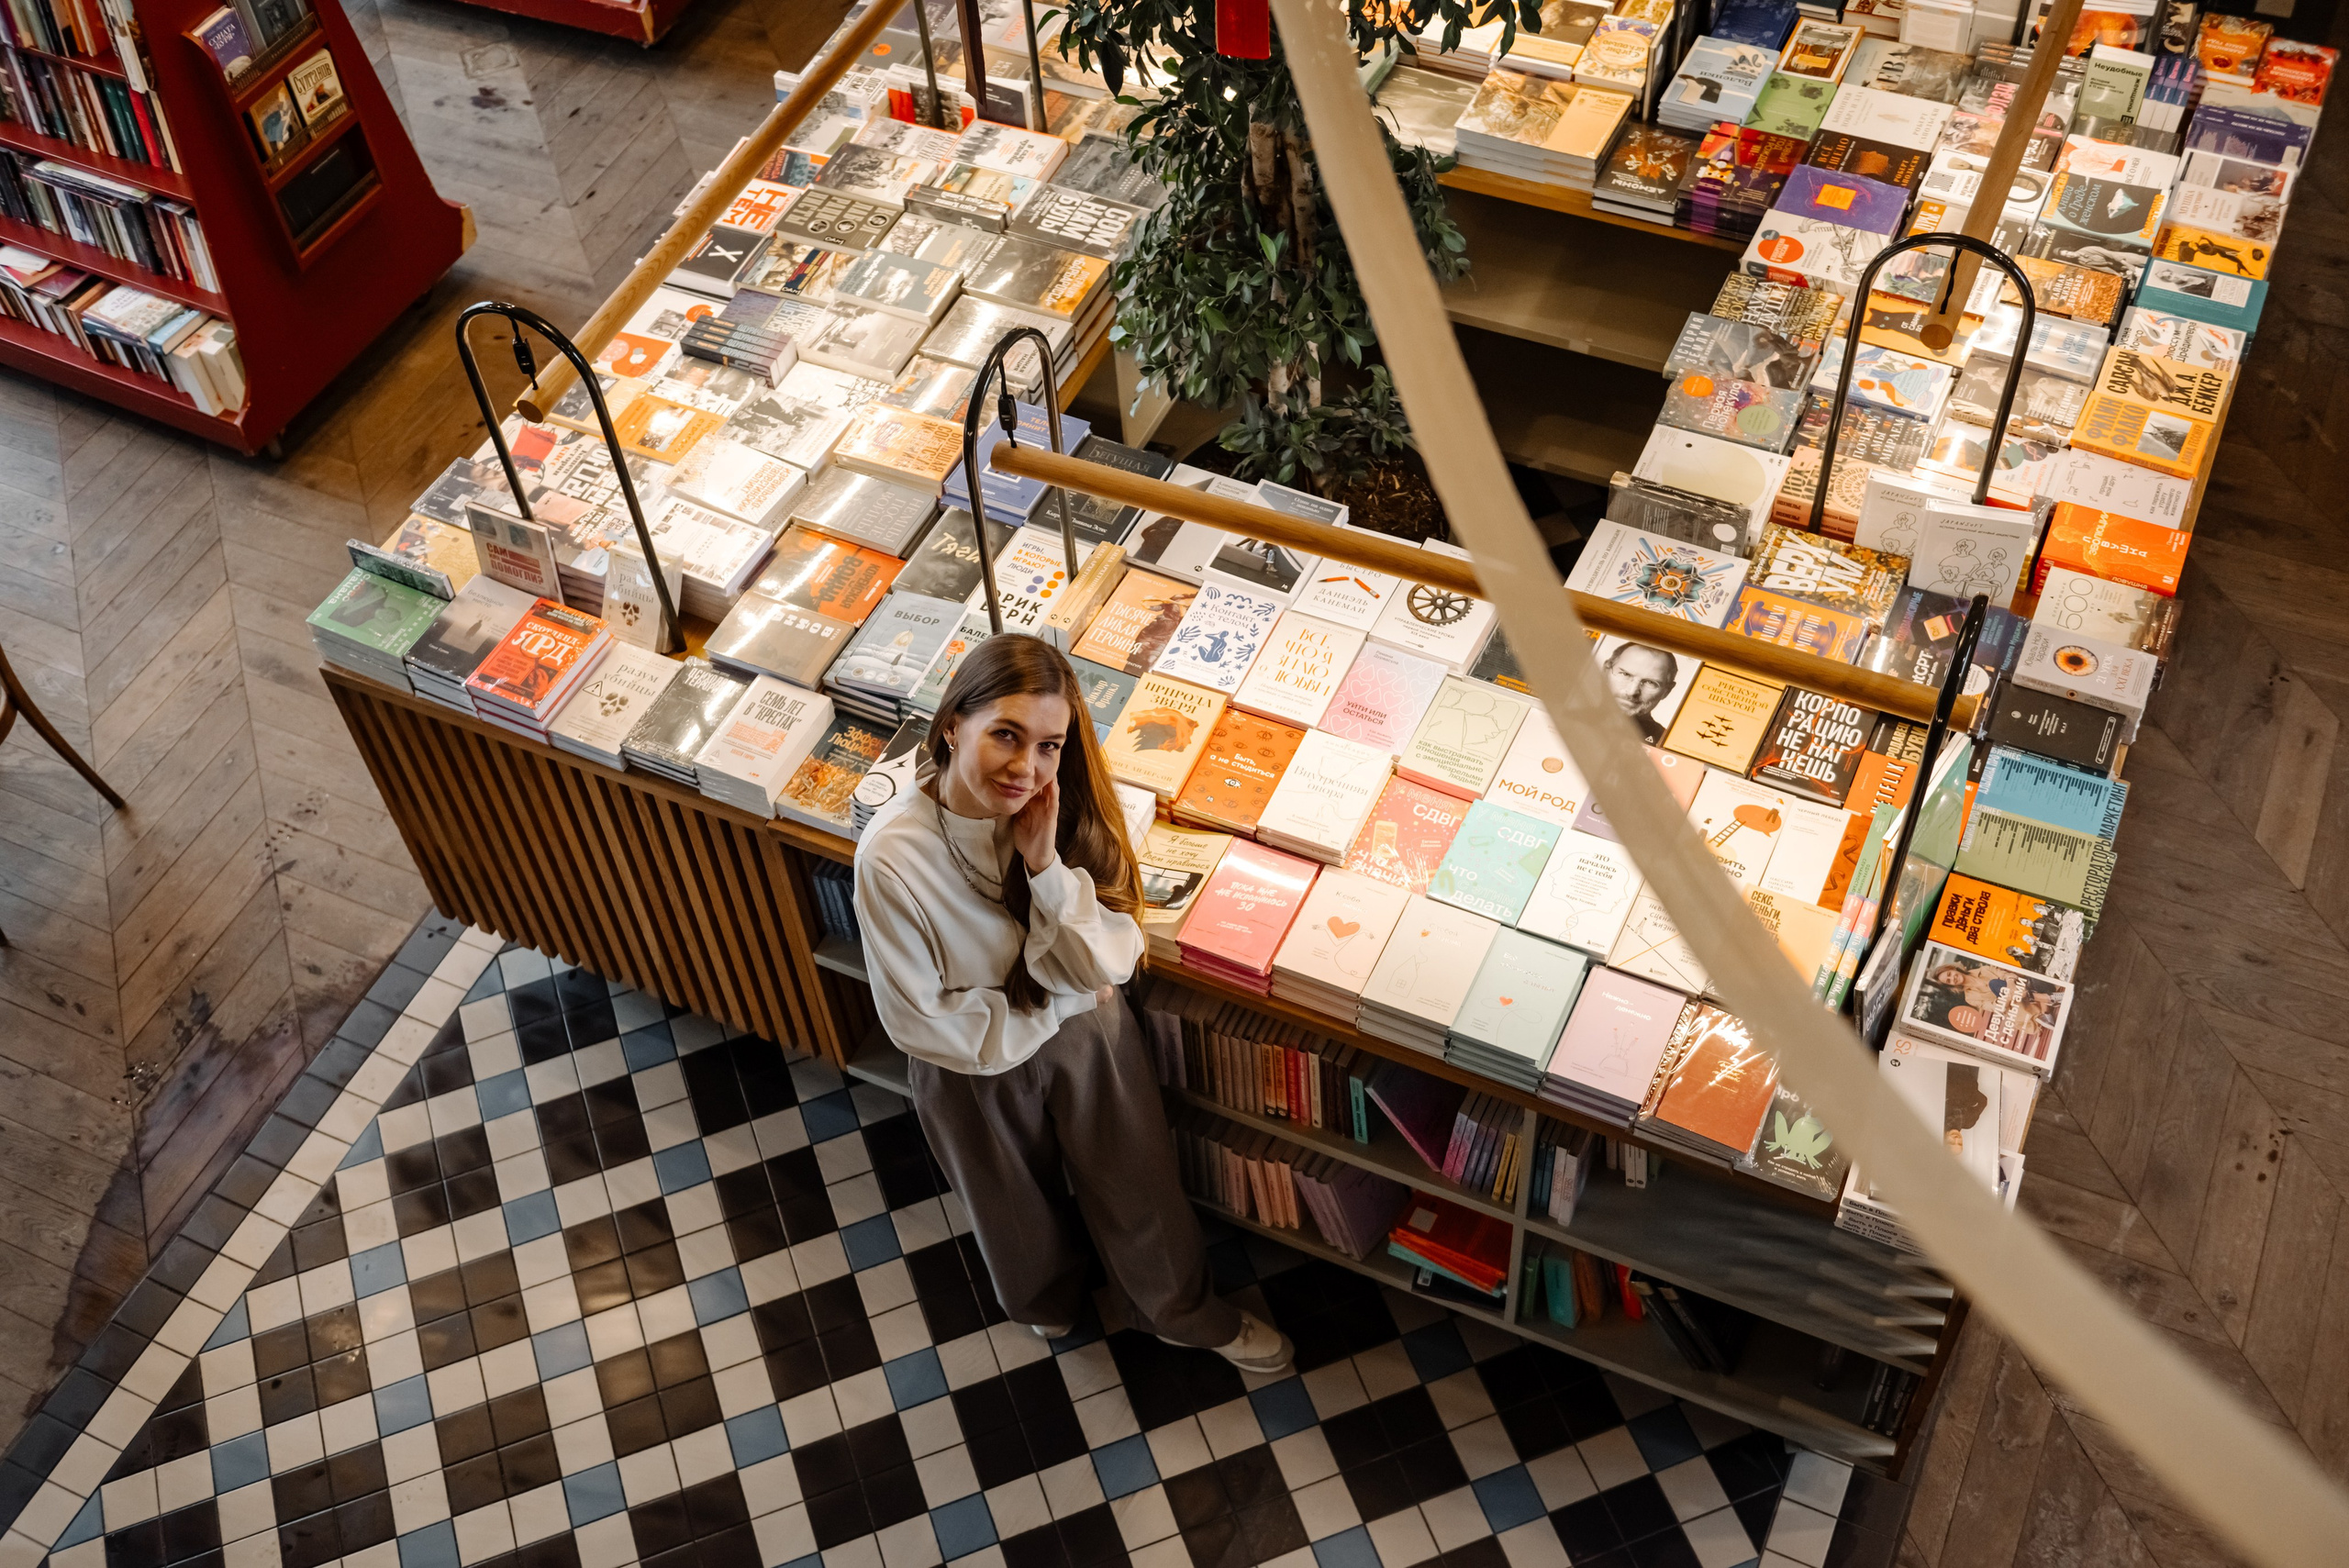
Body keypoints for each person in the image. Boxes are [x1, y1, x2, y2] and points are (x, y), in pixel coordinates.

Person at [852, 633, 1294, 1371]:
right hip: (969, 1060)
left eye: (1049, 745)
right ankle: (1045, 1301)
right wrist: (1054, 1008)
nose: (1027, 766)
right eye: (1006, 734)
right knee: (1006, 1200)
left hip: (1083, 1027)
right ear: (952, 723)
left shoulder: (1063, 805)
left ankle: (1179, 1311)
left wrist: (1045, 863)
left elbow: (1107, 962)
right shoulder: (892, 855)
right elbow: (921, 1020)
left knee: (1137, 1174)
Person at [1603, 641, 1679, 743]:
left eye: (1650, 682)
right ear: (1605, 670)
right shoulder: (1574, 718)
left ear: (1667, 691)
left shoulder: (1667, 744)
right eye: (1625, 674)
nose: (1632, 692)